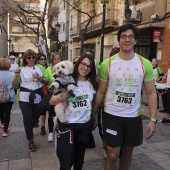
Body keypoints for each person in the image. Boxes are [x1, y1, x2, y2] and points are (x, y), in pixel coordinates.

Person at [92, 24, 157, 170]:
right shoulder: (106, 64)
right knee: (112, 154)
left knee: (128, 152)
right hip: (111, 115)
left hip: (133, 117)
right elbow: (101, 92)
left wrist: (153, 120)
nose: (127, 39)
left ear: (135, 40)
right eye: (123, 36)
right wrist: (93, 113)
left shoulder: (144, 64)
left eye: (130, 36)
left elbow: (151, 93)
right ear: (119, 40)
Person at [50, 54, 98, 170]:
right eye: (83, 64)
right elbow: (51, 101)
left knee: (79, 158)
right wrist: (64, 96)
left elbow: (93, 103)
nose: (85, 68)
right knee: (66, 160)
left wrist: (94, 118)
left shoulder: (93, 84)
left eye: (89, 66)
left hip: (83, 126)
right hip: (68, 125)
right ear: (78, 64)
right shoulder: (67, 80)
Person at [12, 49, 49, 152]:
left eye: (33, 57)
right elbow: (14, 84)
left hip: (37, 96)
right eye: (29, 57)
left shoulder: (40, 68)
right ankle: (30, 140)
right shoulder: (21, 69)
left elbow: (48, 81)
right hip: (24, 97)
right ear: (25, 59)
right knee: (27, 118)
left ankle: (33, 123)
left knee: (34, 118)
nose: (32, 59)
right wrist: (16, 76)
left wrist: (40, 78)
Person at [45, 52, 61, 142]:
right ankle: (50, 132)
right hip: (51, 93)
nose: (57, 60)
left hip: (61, 94)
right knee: (51, 114)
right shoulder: (48, 69)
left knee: (60, 113)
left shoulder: (63, 68)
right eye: (55, 59)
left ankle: (57, 131)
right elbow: (46, 81)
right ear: (52, 60)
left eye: (58, 58)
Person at [0, 58, 16, 137]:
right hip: (9, 96)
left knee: (1, 110)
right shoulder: (12, 75)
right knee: (7, 113)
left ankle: (2, 122)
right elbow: (15, 85)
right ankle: (5, 131)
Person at [37, 53, 48, 135]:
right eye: (41, 59)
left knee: (43, 110)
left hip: (48, 91)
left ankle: (43, 126)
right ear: (38, 60)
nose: (43, 60)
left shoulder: (48, 68)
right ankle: (36, 120)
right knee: (37, 109)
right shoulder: (36, 68)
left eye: (44, 59)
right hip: (38, 91)